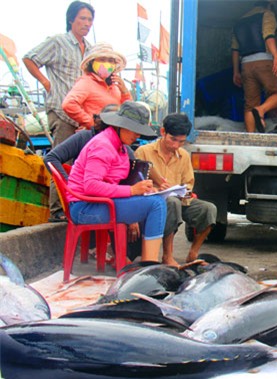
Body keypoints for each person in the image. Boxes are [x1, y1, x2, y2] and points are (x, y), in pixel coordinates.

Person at [66, 101, 166, 262]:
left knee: (155, 200)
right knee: (156, 205)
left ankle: (148, 264)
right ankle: (149, 265)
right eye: (135, 130)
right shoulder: (103, 145)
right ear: (121, 126)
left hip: (100, 204)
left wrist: (143, 190)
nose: (137, 136)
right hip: (85, 208)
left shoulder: (119, 146)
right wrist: (133, 191)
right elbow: (91, 185)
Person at [23, 1, 95, 222]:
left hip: (82, 115)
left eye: (90, 20)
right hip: (62, 111)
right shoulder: (58, 42)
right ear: (71, 19)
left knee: (78, 164)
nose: (86, 23)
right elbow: (29, 58)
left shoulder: (91, 49)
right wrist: (46, 82)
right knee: (58, 159)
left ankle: (74, 207)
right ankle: (57, 212)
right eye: (82, 18)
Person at [134, 113, 217, 266]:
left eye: (181, 142)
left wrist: (182, 191)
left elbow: (188, 184)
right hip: (153, 202)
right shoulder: (143, 152)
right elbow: (136, 183)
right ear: (163, 132)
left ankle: (193, 253)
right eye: (173, 139)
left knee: (208, 209)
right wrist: (156, 188)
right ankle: (167, 256)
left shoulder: (184, 156)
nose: (176, 145)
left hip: (179, 200)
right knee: (172, 203)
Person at [231, 0, 277, 133]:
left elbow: (235, 49)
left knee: (250, 105)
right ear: (269, 4)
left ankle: (251, 138)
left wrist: (236, 71)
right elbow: (268, 36)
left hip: (246, 65)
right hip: (264, 61)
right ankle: (261, 110)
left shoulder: (239, 22)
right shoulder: (267, 14)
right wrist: (276, 57)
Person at [62, 43, 131, 131]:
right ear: (92, 62)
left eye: (110, 60)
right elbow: (69, 104)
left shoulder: (116, 86)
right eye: (102, 59)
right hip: (96, 134)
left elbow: (128, 111)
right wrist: (91, 123)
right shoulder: (86, 82)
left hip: (113, 133)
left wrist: (125, 92)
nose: (106, 63)